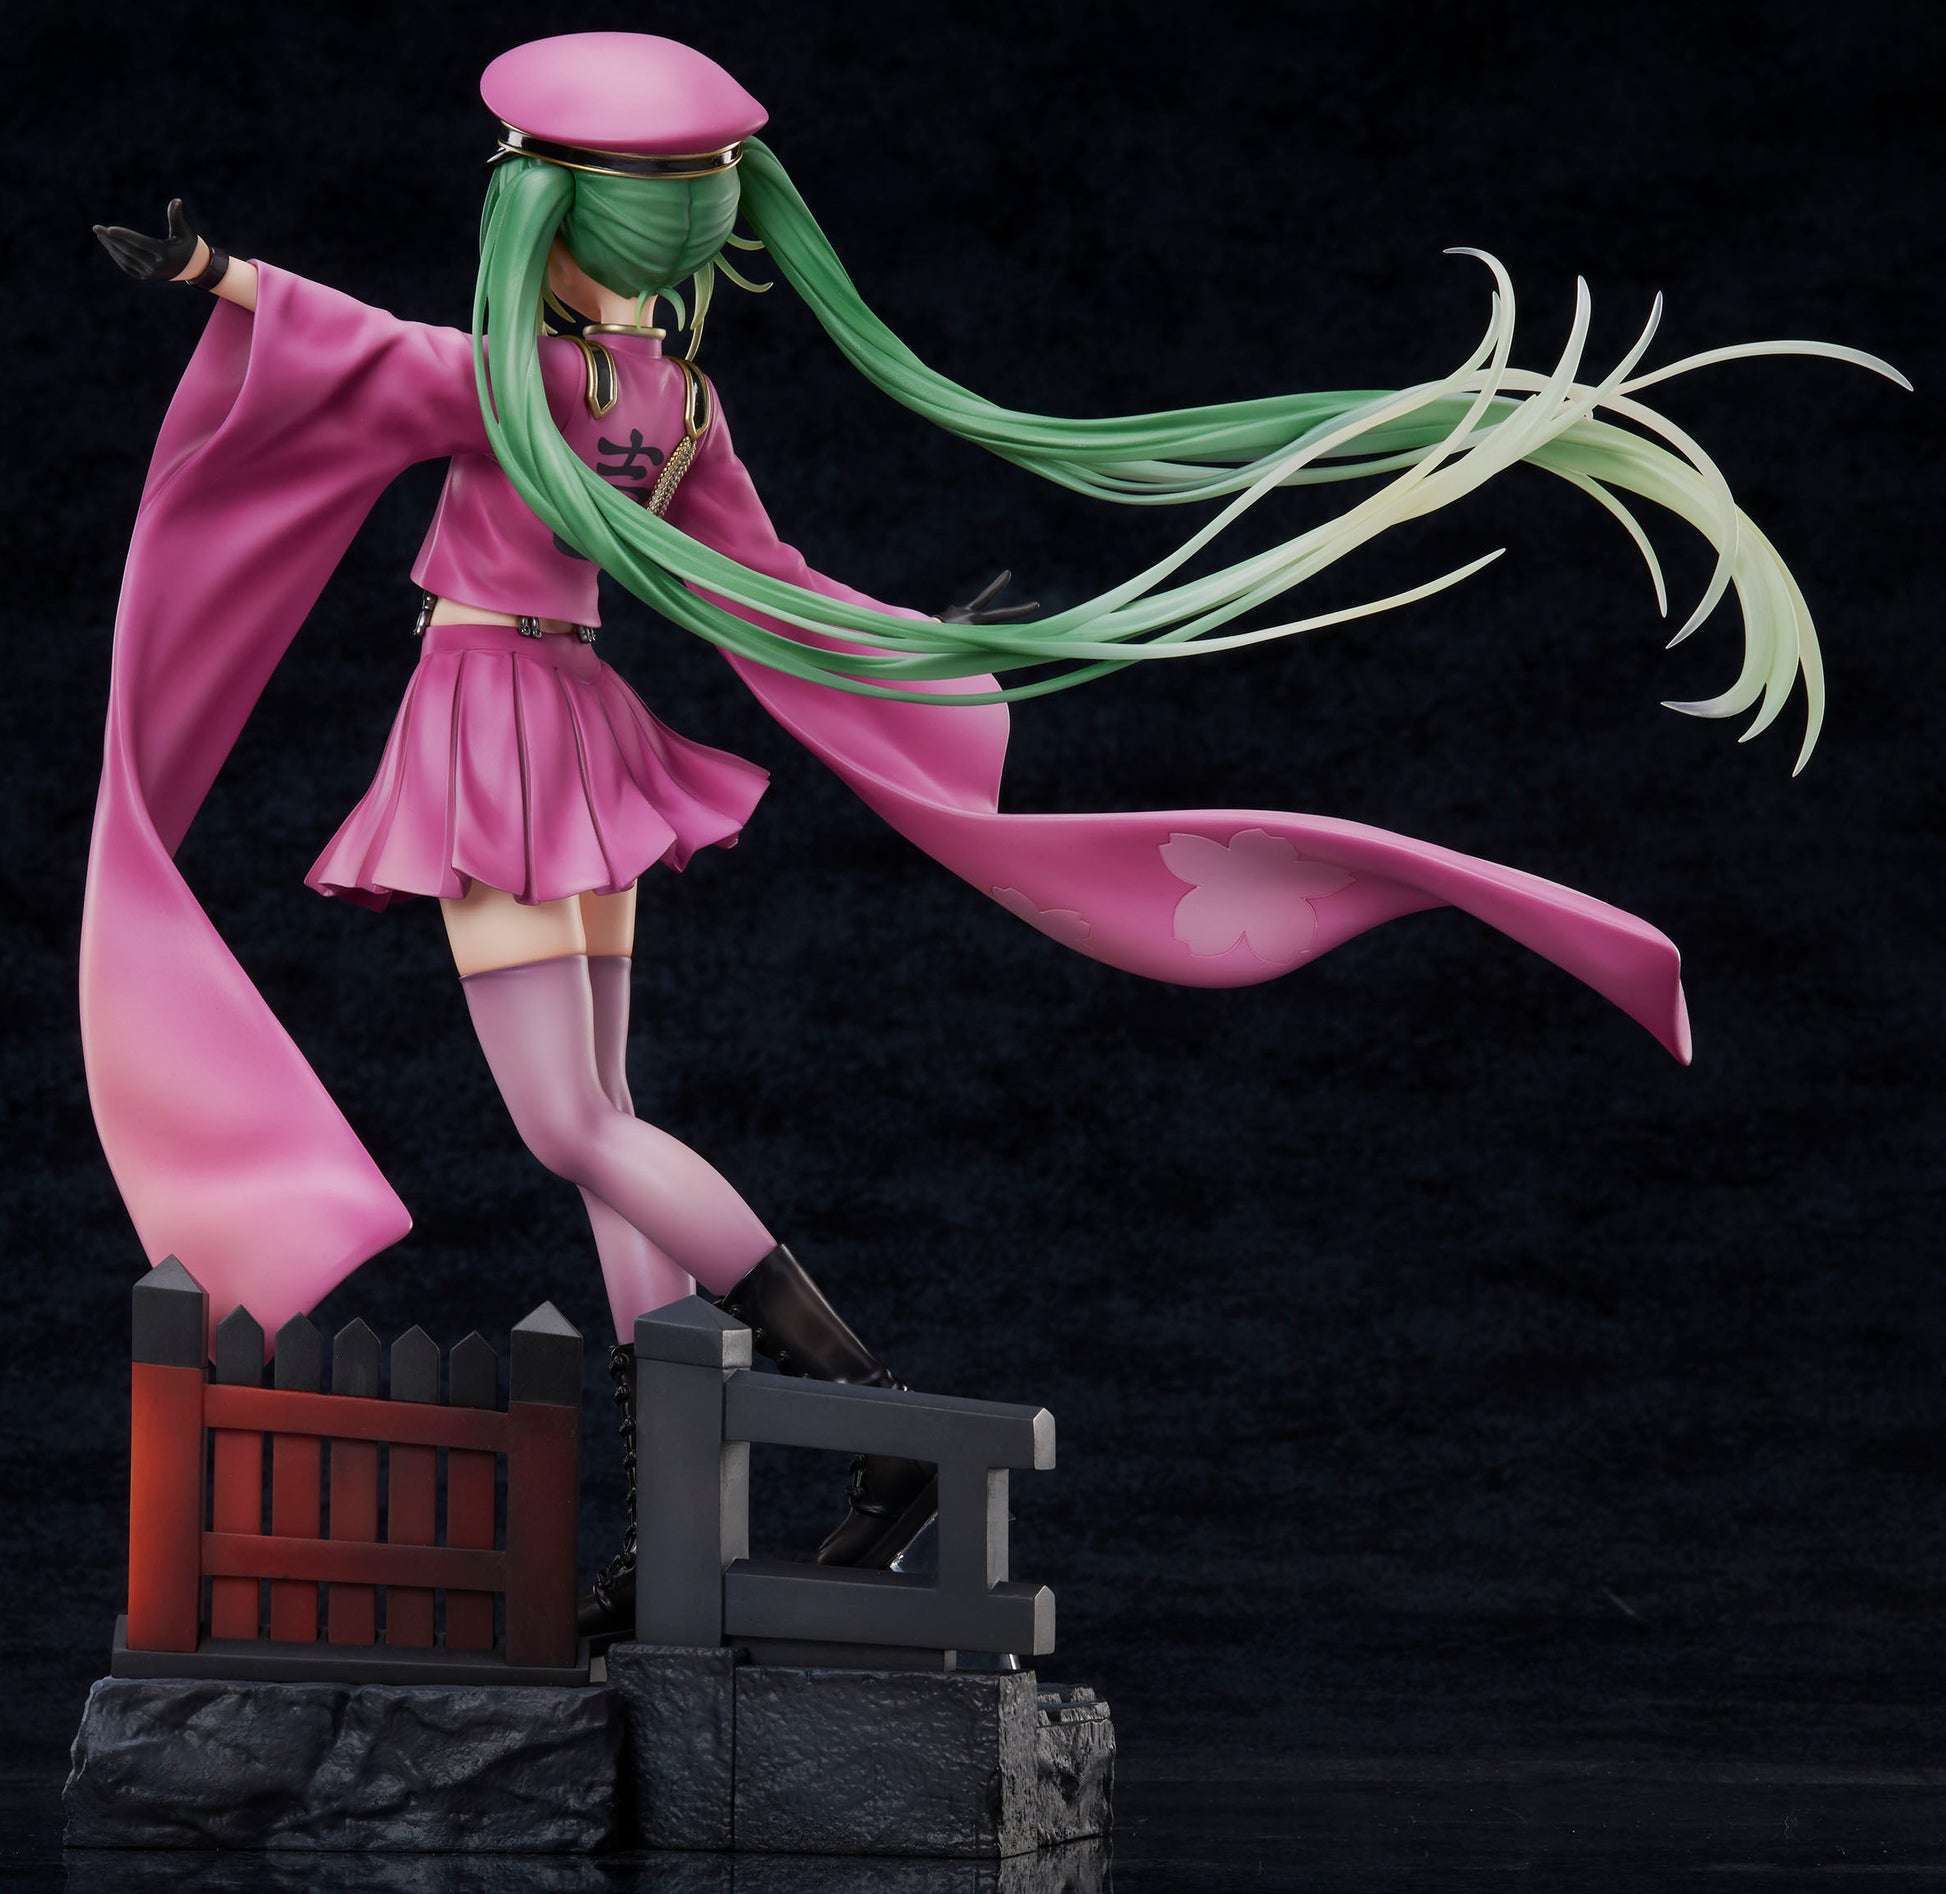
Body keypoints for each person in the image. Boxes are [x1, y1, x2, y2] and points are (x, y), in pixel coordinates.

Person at [85, 32, 1902, 1635]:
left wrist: (217, 275)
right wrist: (927, 649)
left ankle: (867, 1413)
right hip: (579, 728)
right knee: (610, 1138)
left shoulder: (514, 380)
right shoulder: (677, 401)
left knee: (577, 1125)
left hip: (490, 722)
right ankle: (675, 1527)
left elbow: (363, 350)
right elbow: (778, 576)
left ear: (545, 219)